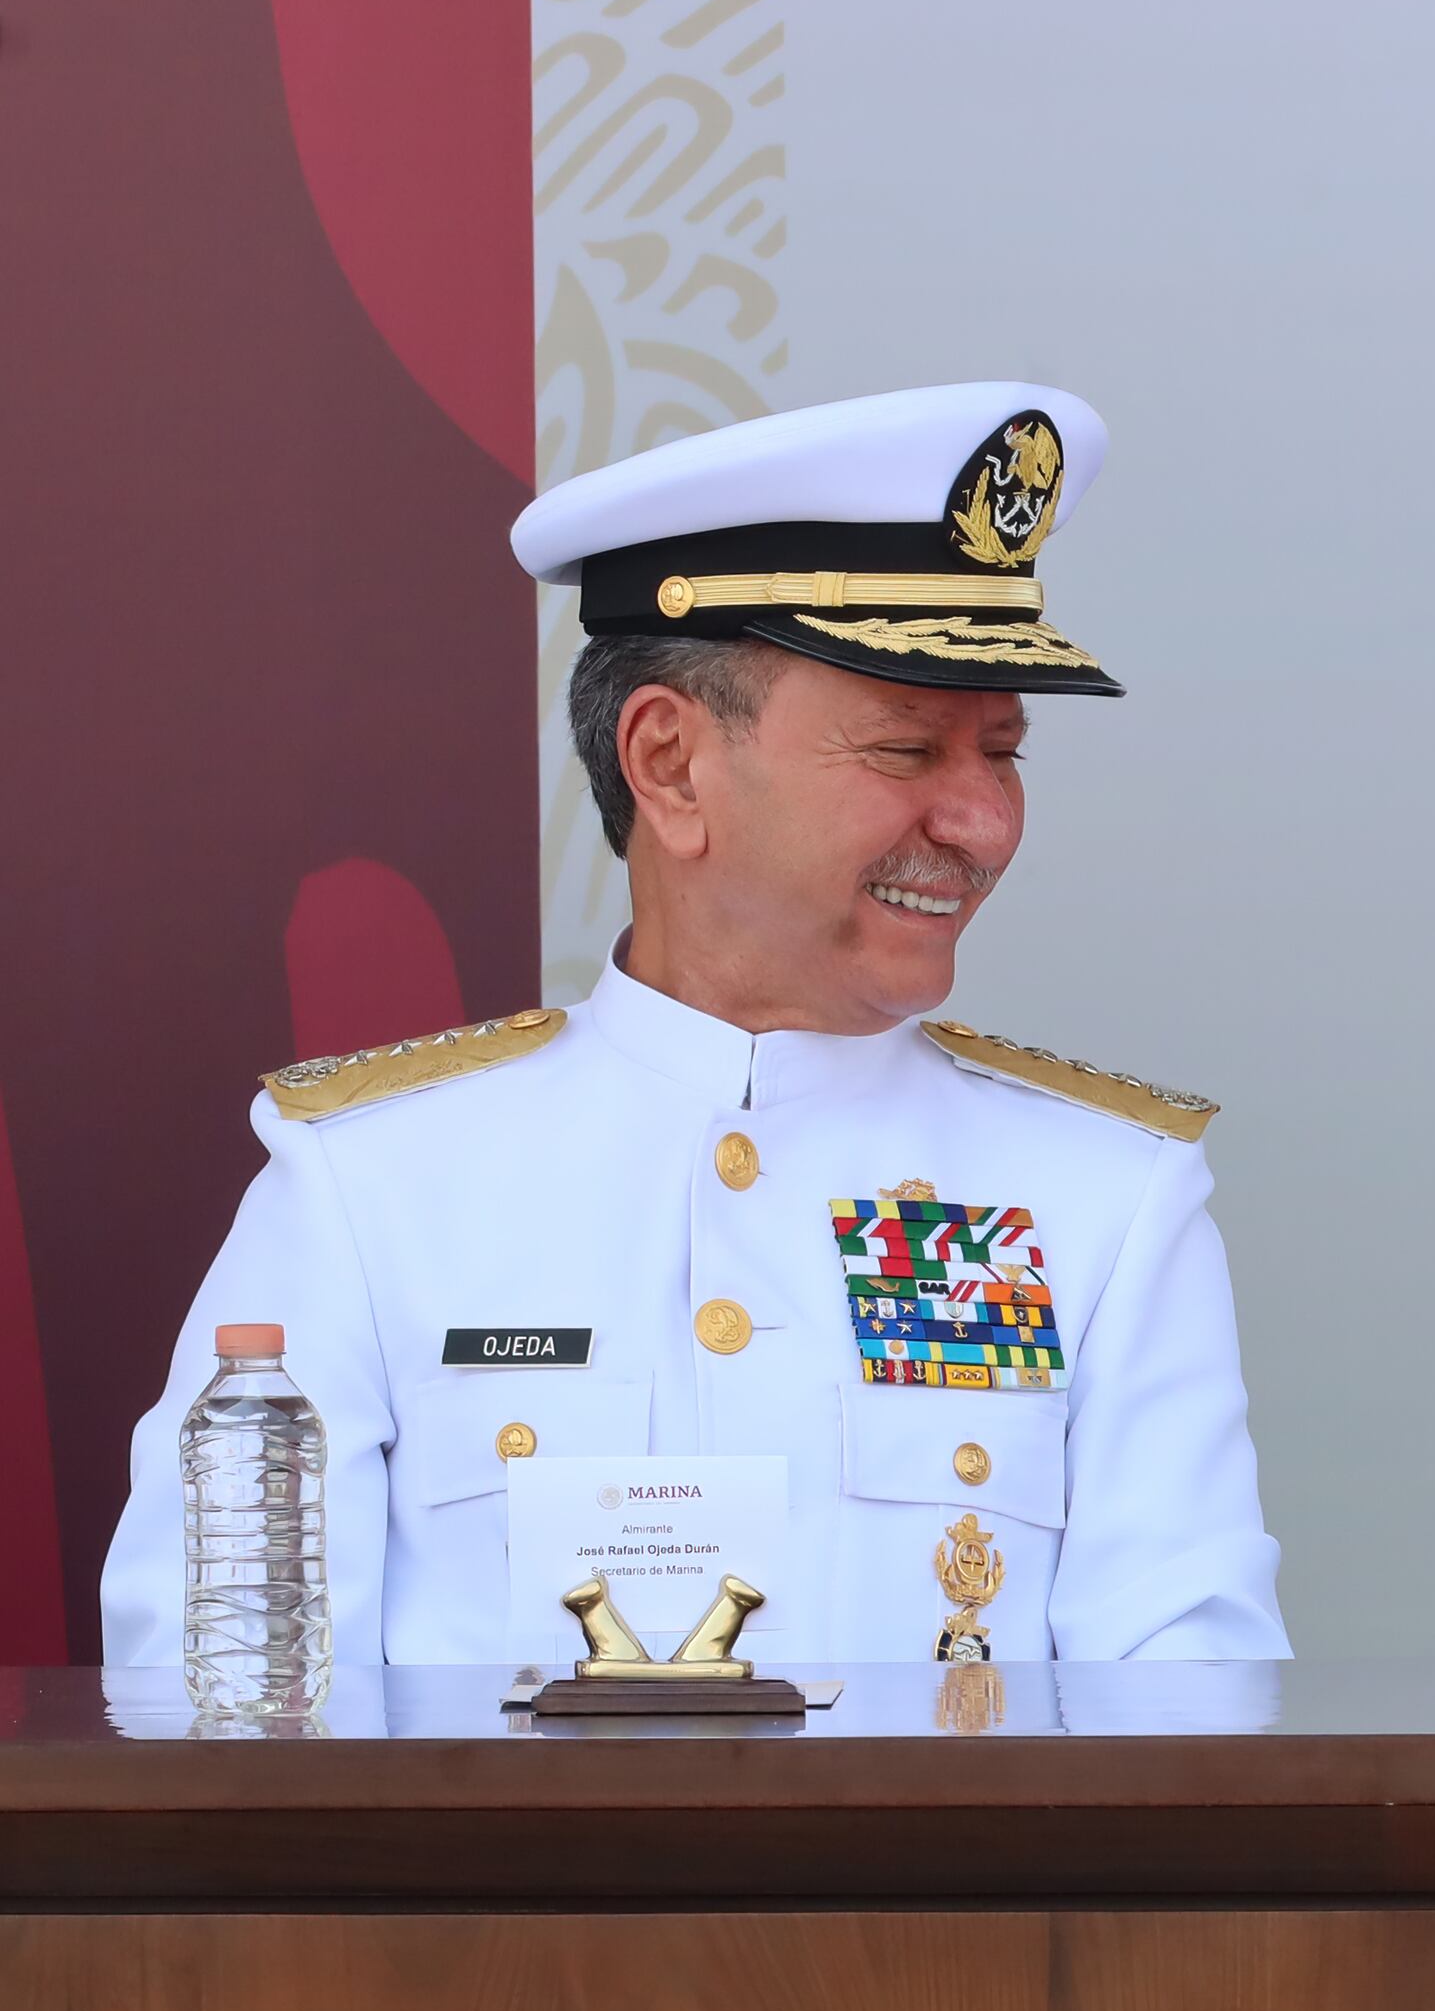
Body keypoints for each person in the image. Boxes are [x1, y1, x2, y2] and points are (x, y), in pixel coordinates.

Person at [99, 384, 1285, 1672]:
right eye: (903, 751)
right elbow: (227, 1698)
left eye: (1002, 754)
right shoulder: (373, 1184)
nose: (984, 826)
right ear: (668, 764)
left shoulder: (1105, 1197)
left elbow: (1187, 1716)